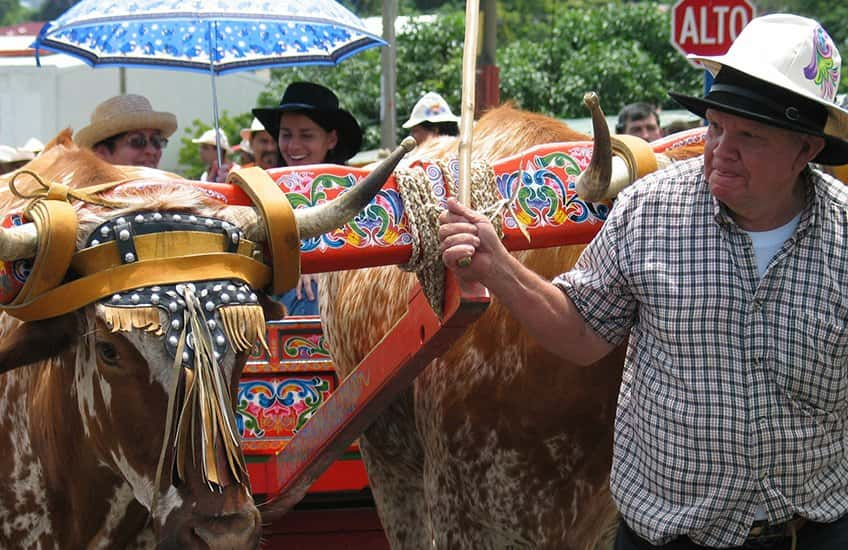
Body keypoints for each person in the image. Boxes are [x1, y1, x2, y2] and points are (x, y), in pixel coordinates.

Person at [438, 14, 848, 550]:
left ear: (807, 149)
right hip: (668, 537)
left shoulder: (843, 238)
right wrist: (498, 267)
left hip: (813, 533)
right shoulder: (651, 211)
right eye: (718, 126)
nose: (722, 149)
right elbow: (581, 335)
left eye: (750, 136)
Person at [253, 81, 363, 315]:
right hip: (275, 294)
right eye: (286, 135)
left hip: (343, 297)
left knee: (311, 294)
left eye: (306, 135)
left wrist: (322, 269)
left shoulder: (355, 190)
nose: (293, 146)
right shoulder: (260, 188)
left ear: (331, 139)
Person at [75, 94, 177, 169]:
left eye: (157, 141)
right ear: (101, 153)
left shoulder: (169, 194)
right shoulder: (84, 197)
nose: (152, 151)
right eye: (137, 141)